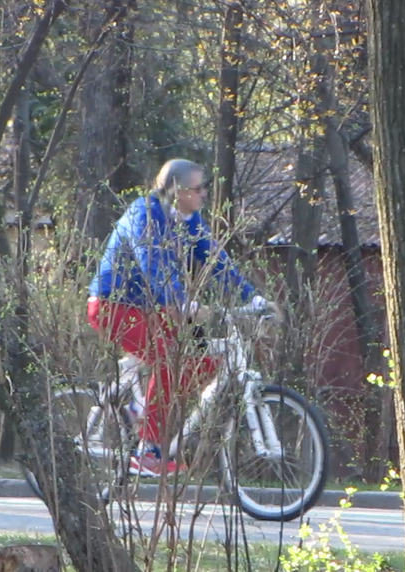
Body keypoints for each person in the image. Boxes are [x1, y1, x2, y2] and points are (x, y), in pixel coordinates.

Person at [87, 158, 274, 477]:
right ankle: (147, 447)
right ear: (176, 190)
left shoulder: (191, 220)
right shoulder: (144, 214)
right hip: (112, 305)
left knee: (205, 362)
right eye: (198, 188)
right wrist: (182, 302)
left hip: (152, 309)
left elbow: (217, 261)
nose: (204, 195)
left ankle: (143, 409)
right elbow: (151, 263)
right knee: (168, 358)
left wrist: (253, 298)